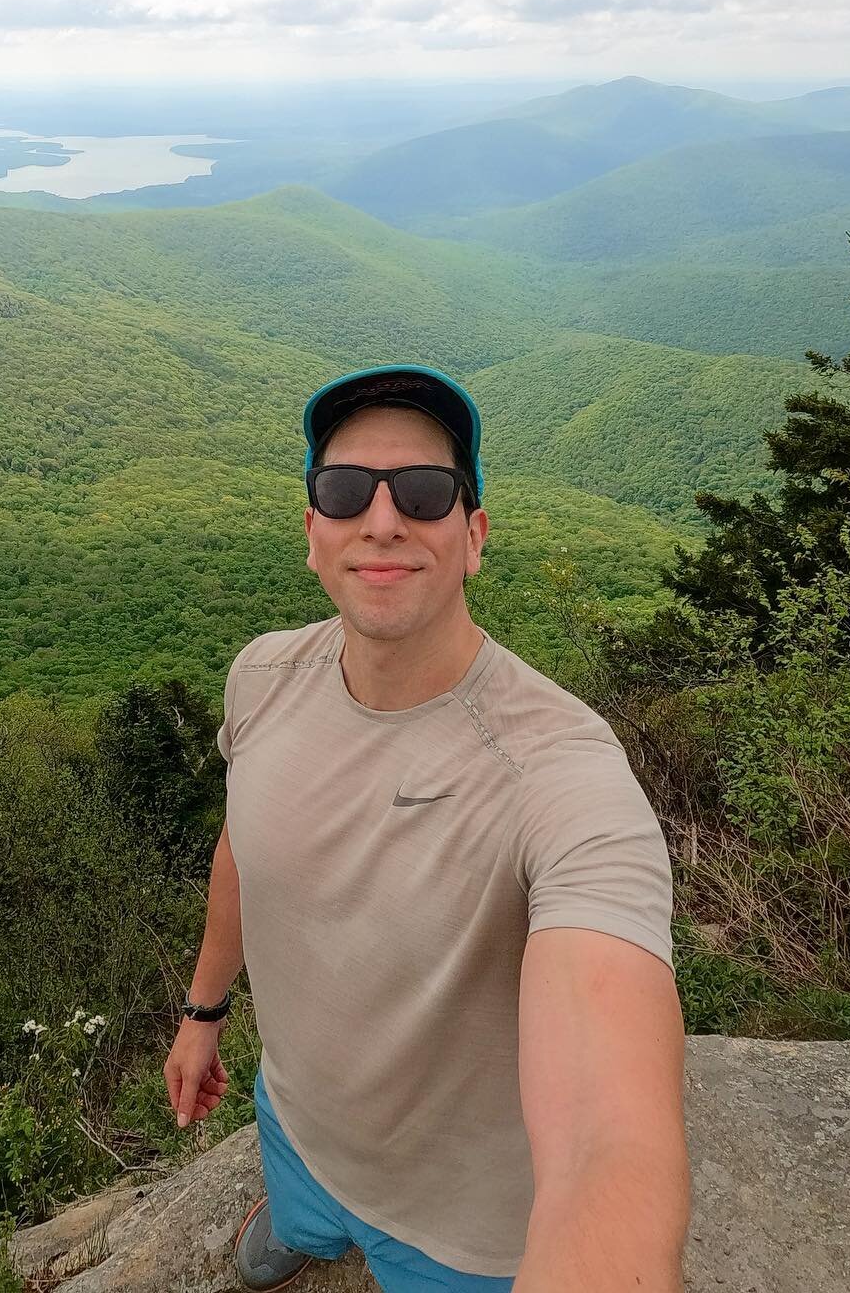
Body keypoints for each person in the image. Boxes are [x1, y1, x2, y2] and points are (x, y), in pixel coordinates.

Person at [163, 364, 689, 1293]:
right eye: (344, 490)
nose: (382, 519)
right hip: (294, 1118)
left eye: (424, 491)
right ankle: (310, 1227)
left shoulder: (559, 772)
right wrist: (203, 1011)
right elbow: (247, 842)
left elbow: (610, 1132)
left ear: (474, 536)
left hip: (462, 1232)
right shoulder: (262, 678)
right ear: (313, 534)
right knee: (301, 1221)